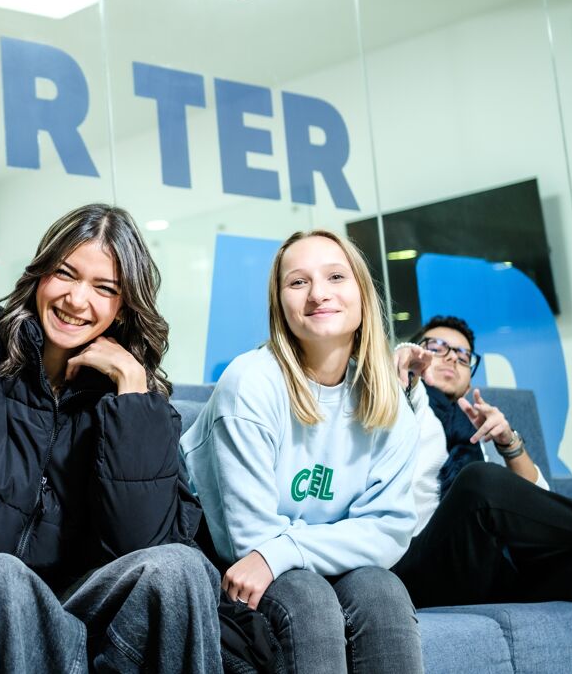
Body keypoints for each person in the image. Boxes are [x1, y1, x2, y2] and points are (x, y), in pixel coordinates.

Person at [0, 204, 225, 674]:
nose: (77, 300)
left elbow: (142, 546)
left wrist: (132, 390)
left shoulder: (133, 402)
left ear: (123, 306)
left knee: (181, 566)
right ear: (41, 274)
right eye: (66, 274)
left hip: (74, 607)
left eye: (104, 288)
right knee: (0, 574)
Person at [181, 229, 423, 674]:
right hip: (222, 561)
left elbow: (389, 531)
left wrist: (286, 548)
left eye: (335, 277)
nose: (318, 294)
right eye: (298, 282)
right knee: (307, 598)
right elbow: (248, 541)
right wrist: (283, 553)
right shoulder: (250, 383)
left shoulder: (388, 401)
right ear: (281, 304)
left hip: (293, 557)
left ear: (362, 295)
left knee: (381, 589)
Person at [393, 314, 572, 674]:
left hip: (489, 567)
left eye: (463, 355)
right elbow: (390, 373)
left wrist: (508, 443)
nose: (452, 357)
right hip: (420, 566)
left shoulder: (477, 425)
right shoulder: (399, 400)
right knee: (480, 482)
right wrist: (399, 372)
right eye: (436, 347)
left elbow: (539, 505)